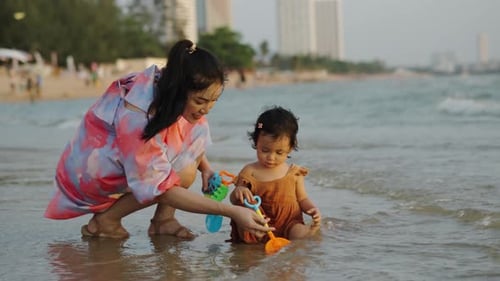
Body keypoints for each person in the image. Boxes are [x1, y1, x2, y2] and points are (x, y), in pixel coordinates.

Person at [44, 39, 273, 240]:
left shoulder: (165, 86)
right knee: (174, 176)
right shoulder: (137, 116)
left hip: (119, 159)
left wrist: (206, 168)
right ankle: (104, 222)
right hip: (90, 174)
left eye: (214, 100)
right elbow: (160, 187)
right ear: (180, 90)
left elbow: (188, 137)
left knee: (187, 168)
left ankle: (163, 222)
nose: (207, 109)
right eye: (201, 101)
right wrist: (232, 212)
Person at [229, 106, 322, 243]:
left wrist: (312, 210)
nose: (271, 157)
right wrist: (239, 190)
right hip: (259, 225)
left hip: (289, 223)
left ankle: (309, 234)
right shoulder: (250, 171)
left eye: (279, 153)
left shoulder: (294, 173)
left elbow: (302, 199)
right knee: (248, 229)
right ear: (256, 142)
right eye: (265, 150)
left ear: (290, 148)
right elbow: (233, 200)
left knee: (300, 233)